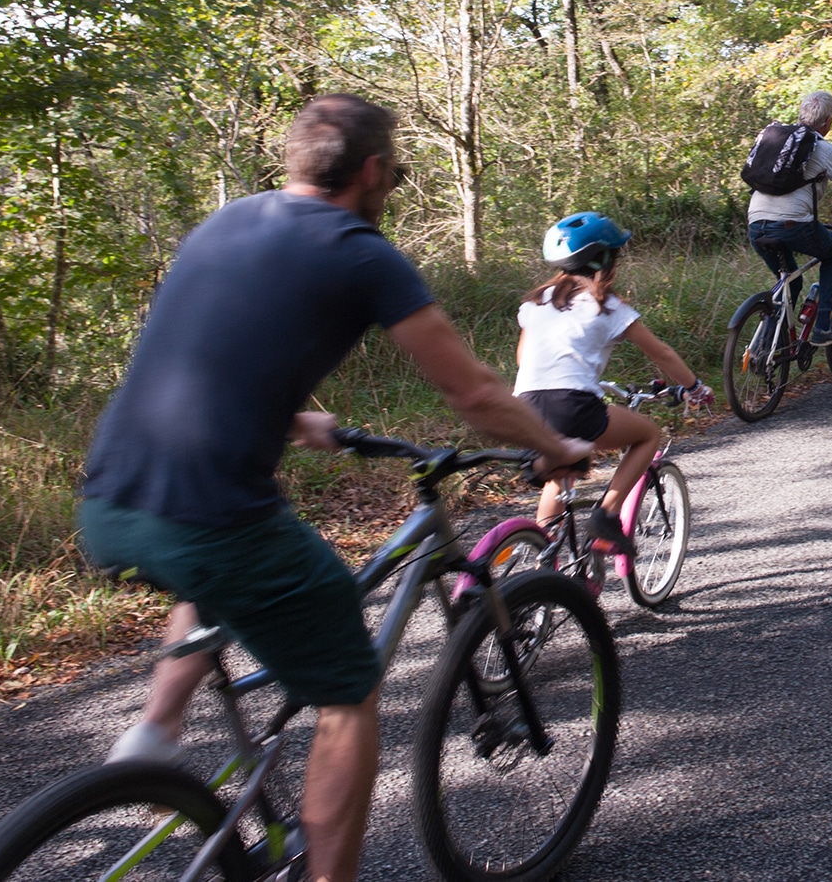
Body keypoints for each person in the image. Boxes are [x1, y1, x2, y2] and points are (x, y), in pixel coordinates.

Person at [75, 95, 595, 882]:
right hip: (214, 521)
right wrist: (554, 446)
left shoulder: (228, 221)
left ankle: (155, 732)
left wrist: (288, 414)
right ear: (375, 170)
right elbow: (477, 396)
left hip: (110, 501)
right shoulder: (361, 251)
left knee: (212, 575)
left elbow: (202, 352)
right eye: (395, 175)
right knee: (348, 693)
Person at [516, 212, 713, 546]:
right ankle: (606, 515)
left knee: (561, 470)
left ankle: (544, 557)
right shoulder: (606, 305)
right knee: (647, 435)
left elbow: (524, 358)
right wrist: (694, 387)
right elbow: (661, 353)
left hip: (524, 407)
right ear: (604, 259)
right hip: (572, 403)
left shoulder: (537, 302)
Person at [744, 90, 832, 345]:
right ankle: (823, 327)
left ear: (801, 114)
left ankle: (766, 349)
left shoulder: (777, 141)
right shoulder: (824, 148)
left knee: (790, 282)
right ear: (828, 120)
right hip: (793, 225)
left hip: (756, 225)